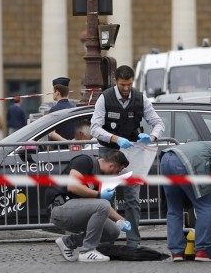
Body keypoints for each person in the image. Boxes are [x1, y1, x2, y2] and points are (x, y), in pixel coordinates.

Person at [90, 65, 165, 248]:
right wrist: (115, 138)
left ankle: (133, 242)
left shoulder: (140, 98)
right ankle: (106, 241)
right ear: (116, 81)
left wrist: (152, 137)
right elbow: (94, 128)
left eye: (129, 84)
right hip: (108, 153)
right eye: (123, 84)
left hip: (133, 154)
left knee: (132, 198)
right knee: (107, 198)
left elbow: (158, 123)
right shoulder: (105, 98)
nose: (126, 88)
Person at [160, 141, 211, 262]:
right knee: (207, 206)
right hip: (187, 161)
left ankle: (177, 252)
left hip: (166, 159)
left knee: (174, 209)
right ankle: (204, 250)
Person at [50, 150, 132, 262]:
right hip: (60, 210)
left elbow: (103, 206)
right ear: (111, 165)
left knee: (113, 231)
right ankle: (87, 251)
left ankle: (68, 242)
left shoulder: (100, 177)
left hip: (77, 211)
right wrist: (99, 194)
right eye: (118, 171)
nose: (117, 175)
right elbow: (73, 187)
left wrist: (122, 220)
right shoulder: (84, 161)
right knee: (103, 204)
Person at [48, 77, 77, 142]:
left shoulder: (54, 110)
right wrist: (72, 142)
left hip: (59, 149)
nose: (52, 93)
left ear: (57, 92)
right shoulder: (75, 109)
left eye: (53, 91)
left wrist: (67, 142)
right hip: (74, 149)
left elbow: (51, 133)